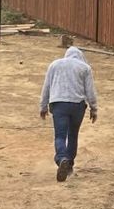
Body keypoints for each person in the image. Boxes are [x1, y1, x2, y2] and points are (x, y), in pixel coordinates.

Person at [38, 45, 99, 182]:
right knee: (73, 135)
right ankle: (69, 165)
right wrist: (94, 108)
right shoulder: (84, 67)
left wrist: (43, 106)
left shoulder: (54, 65)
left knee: (60, 135)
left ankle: (61, 159)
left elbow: (46, 86)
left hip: (59, 104)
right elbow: (90, 91)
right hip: (77, 106)